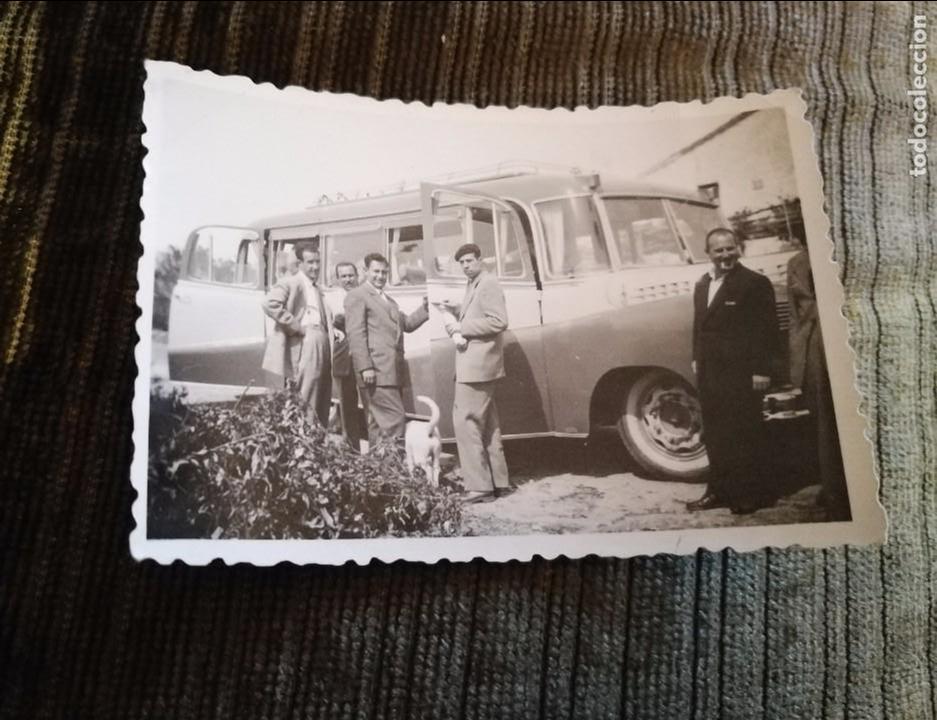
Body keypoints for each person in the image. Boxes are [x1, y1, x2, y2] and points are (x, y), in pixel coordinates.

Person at [687, 228, 781, 514]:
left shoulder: (754, 283)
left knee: (744, 433)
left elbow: (766, 331)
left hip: (742, 374)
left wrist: (762, 371)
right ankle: (717, 491)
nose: (725, 255)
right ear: (709, 253)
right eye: (719, 250)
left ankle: (748, 494)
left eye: (730, 249)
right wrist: (696, 357)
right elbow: (699, 326)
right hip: (710, 374)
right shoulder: (703, 284)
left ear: (738, 248)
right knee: (715, 434)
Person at [441, 243, 511, 503]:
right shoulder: (476, 283)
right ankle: (500, 482)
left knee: (466, 422)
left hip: (477, 367)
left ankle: (480, 487)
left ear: (481, 260)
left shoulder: (488, 282)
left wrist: (461, 325)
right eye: (462, 262)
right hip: (481, 366)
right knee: (488, 425)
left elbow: (499, 320)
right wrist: (458, 308)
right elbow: (480, 312)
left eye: (470, 260)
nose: (466, 265)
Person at [787, 245, 850, 521]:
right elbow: (797, 311)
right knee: (828, 421)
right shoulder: (800, 262)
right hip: (820, 345)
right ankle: (837, 492)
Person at [344, 253, 429, 448]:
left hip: (390, 372)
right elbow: (356, 334)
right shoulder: (357, 296)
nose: (380, 276)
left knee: (377, 426)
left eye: (384, 272)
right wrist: (365, 367)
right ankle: (394, 470)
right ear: (366, 272)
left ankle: (378, 473)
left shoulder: (389, 300)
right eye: (376, 271)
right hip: (376, 372)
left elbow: (405, 324)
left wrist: (425, 309)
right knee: (395, 422)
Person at [261, 243, 333, 426]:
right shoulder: (291, 282)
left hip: (322, 340)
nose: (315, 267)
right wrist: (297, 327)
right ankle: (305, 441)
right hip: (307, 342)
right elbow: (269, 304)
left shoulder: (316, 288)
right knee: (307, 395)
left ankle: (317, 442)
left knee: (323, 395)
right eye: (310, 262)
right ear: (300, 263)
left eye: (317, 262)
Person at [327, 262, 367, 451]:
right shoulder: (332, 299)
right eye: (343, 276)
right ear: (338, 278)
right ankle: (353, 450)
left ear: (357, 276)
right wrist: (334, 329)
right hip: (343, 358)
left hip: (364, 358)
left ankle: (378, 450)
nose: (348, 279)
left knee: (370, 405)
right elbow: (327, 323)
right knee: (348, 406)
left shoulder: (364, 296)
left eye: (351, 275)